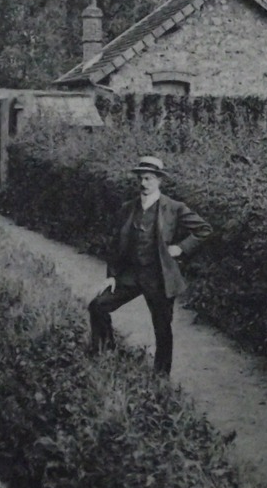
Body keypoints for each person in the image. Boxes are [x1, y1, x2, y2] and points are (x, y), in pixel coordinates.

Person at [87, 155, 213, 376]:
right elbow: (116, 244)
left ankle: (161, 376)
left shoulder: (174, 208)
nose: (144, 184)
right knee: (98, 306)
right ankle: (105, 352)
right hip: (131, 275)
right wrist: (112, 276)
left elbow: (204, 230)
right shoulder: (128, 208)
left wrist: (181, 248)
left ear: (159, 180)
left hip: (159, 276)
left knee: (162, 327)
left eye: (149, 179)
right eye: (141, 179)